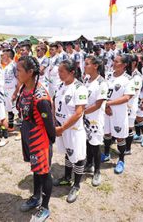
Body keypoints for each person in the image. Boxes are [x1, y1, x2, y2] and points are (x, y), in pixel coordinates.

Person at [16, 56, 55, 222]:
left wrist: (49, 143)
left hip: (39, 138)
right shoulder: (24, 88)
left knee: (44, 172)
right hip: (27, 133)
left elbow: (50, 125)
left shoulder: (40, 97)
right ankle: (36, 196)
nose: (16, 73)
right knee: (35, 169)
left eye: (19, 70)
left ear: (30, 72)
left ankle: (45, 208)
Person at [53, 59, 88, 203]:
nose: (59, 74)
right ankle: (67, 178)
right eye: (58, 71)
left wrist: (62, 127)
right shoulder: (61, 85)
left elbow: (79, 113)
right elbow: (54, 103)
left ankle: (77, 184)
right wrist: (55, 122)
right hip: (61, 128)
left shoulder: (80, 88)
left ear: (72, 72)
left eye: (62, 71)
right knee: (68, 152)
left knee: (78, 157)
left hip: (73, 129)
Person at [102, 54, 135, 174]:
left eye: (116, 61)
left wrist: (109, 103)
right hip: (106, 110)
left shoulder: (128, 79)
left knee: (120, 136)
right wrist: (105, 105)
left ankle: (121, 160)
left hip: (119, 112)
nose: (113, 63)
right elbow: (103, 91)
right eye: (113, 61)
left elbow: (127, 97)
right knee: (107, 133)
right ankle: (106, 154)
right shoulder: (108, 75)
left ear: (124, 65)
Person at [83, 55, 107, 186]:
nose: (84, 66)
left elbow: (98, 104)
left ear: (95, 66)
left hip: (95, 119)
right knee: (87, 142)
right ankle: (88, 164)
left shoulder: (102, 83)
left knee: (95, 144)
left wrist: (81, 112)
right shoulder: (86, 79)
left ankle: (97, 171)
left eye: (87, 64)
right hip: (85, 117)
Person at [125, 54, 142, 155]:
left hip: (131, 105)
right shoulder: (128, 73)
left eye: (127, 62)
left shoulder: (137, 76)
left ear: (134, 63)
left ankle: (128, 148)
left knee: (129, 127)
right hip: (125, 104)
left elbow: (133, 92)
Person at [2, 48, 19, 130]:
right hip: (7, 92)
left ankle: (21, 130)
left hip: (13, 91)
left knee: (17, 110)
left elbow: (19, 79)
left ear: (8, 56)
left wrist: (16, 92)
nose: (2, 57)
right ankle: (11, 126)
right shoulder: (6, 67)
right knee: (9, 109)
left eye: (3, 55)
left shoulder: (14, 65)